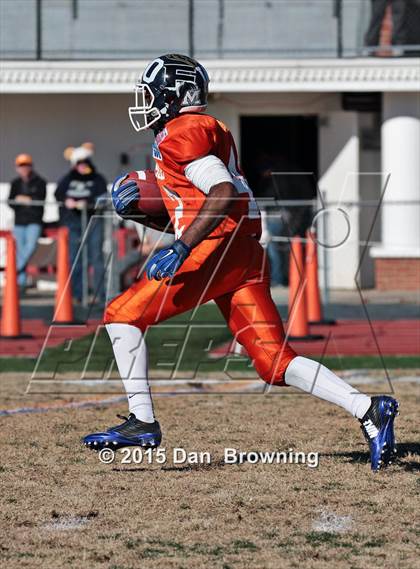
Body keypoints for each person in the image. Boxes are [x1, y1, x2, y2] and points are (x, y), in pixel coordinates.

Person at [84, 54, 399, 471]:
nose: (146, 101)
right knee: (273, 362)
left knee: (121, 315)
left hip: (217, 248)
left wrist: (182, 247)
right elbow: (194, 207)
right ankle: (368, 408)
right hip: (242, 251)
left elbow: (222, 190)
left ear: (176, 95)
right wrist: (148, 213)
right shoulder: (189, 132)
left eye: (153, 92)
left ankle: (142, 421)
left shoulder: (184, 131)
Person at [55, 143, 107, 303]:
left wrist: (88, 202)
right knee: (76, 257)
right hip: (73, 222)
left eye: (85, 162)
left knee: (96, 257)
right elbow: (58, 194)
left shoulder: (97, 179)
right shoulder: (67, 179)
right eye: (79, 163)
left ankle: (100, 294)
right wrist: (67, 200)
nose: (82, 166)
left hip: (93, 221)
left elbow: (103, 197)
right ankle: (78, 294)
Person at [8, 154, 46, 289]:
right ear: (17, 168)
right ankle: (20, 283)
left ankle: (14, 270)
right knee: (20, 251)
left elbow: (38, 200)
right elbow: (11, 202)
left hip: (34, 221)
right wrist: (25, 200)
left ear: (31, 166)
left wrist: (23, 199)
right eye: (21, 166)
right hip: (19, 222)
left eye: (26, 165)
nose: (23, 168)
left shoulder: (40, 182)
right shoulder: (15, 183)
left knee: (30, 247)